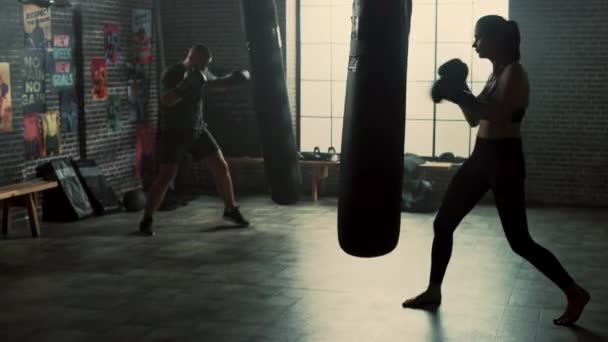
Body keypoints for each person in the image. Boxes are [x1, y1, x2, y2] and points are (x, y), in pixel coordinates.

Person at [401, 15, 590, 326]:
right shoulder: (495, 74)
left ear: (495, 39)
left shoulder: (514, 74)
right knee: (443, 222)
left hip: (505, 160)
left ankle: (574, 292)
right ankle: (433, 290)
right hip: (481, 156)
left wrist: (461, 94)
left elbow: (501, 116)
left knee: (519, 241)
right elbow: (476, 120)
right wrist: (459, 93)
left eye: (478, 37)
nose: (474, 44)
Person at [138, 44, 251, 236]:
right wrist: (185, 86)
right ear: (191, 58)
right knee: (166, 176)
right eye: (201, 64)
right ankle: (146, 220)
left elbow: (214, 83)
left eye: (206, 65)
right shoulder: (172, 73)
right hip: (173, 133)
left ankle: (230, 210)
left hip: (197, 130)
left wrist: (235, 78)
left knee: (220, 166)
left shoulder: (202, 71)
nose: (203, 68)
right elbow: (166, 100)